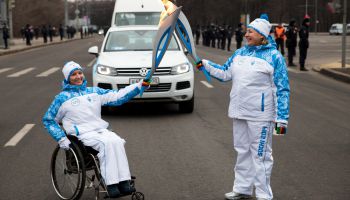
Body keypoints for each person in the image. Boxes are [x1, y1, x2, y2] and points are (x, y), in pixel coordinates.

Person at [196, 14, 290, 200]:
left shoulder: (274, 57)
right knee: (242, 151)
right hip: (239, 111)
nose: (246, 34)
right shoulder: (240, 53)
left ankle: (264, 195)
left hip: (261, 115)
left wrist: (282, 119)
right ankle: (242, 189)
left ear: (262, 35)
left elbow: (282, 89)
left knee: (261, 155)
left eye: (250, 32)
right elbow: (224, 73)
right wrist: (205, 64)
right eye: (246, 31)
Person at [42, 61, 150, 198]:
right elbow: (48, 119)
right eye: (73, 74)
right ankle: (111, 184)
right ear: (67, 78)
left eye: (79, 73)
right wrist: (61, 138)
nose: (78, 76)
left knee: (117, 141)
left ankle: (123, 181)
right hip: (81, 134)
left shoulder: (94, 92)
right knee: (106, 144)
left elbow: (117, 96)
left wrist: (140, 85)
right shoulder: (61, 99)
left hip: (99, 130)